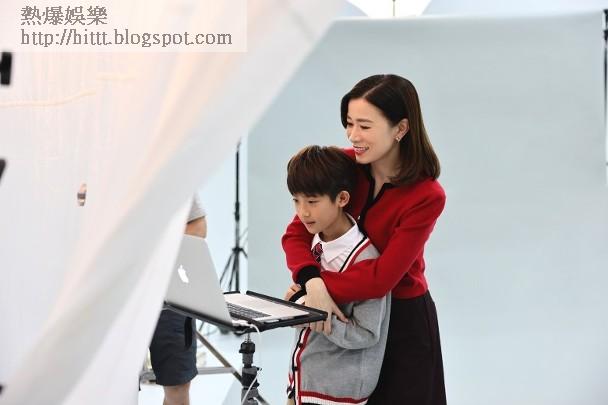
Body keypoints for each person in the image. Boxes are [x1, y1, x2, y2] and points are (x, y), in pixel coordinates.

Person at [282, 74, 447, 405]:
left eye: (365, 126)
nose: (353, 135)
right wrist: (311, 281)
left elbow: (382, 277)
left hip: (403, 324)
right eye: (349, 123)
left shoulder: (426, 195)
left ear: (400, 129)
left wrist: (315, 290)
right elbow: (296, 232)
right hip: (348, 312)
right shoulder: (346, 166)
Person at [283, 145, 391, 405]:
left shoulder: (364, 258)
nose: (302, 212)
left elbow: (366, 334)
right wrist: (296, 307)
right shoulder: (314, 244)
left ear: (342, 199)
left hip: (337, 393)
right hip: (302, 382)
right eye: (296, 200)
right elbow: (308, 320)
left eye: (312, 202)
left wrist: (310, 311)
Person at [148, 196, 207, 405]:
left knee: (178, 385)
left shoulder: (167, 178)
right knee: (116, 387)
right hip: (118, 302)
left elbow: (198, 228)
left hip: (170, 297)